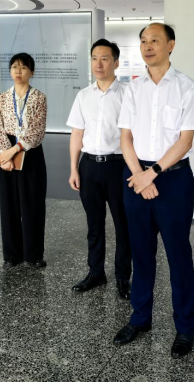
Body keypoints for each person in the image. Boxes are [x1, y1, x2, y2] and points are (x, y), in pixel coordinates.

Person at [112, 23, 194, 359]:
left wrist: (151, 174)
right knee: (141, 252)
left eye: (155, 40)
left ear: (171, 45)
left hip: (173, 180)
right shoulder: (132, 89)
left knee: (178, 255)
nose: (148, 46)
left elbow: (185, 141)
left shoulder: (186, 87)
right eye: (143, 41)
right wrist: (139, 175)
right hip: (136, 177)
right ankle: (140, 318)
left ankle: (185, 327)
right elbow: (125, 138)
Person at [67, 39, 132, 300]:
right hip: (89, 166)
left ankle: (122, 276)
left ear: (116, 63)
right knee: (94, 224)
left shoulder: (128, 94)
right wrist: (74, 169)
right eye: (95, 58)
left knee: (122, 224)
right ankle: (96, 272)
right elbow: (77, 134)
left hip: (118, 166)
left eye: (105, 58)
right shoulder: (84, 95)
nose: (99, 63)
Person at [0, 53, 48, 269]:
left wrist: (14, 150)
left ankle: (33, 255)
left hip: (30, 151)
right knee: (8, 204)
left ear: (31, 72)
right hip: (6, 151)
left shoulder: (39, 97)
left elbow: (38, 131)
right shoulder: (2, 98)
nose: (18, 71)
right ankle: (11, 254)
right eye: (14, 67)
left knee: (32, 203)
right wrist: (3, 154)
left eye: (24, 67)